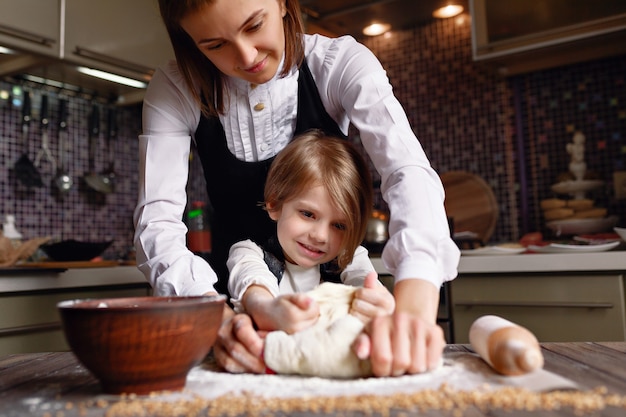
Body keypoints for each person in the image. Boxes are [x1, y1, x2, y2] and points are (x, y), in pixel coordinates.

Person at [134, 0, 460, 377]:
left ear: (284, 5)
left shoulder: (340, 63)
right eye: (214, 45)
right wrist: (215, 319)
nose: (247, 56)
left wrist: (413, 310)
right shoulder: (175, 88)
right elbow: (156, 222)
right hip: (228, 311)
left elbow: (407, 170)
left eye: (255, 25)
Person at [227, 131, 395, 334]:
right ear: (275, 204)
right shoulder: (247, 253)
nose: (321, 236)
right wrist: (269, 310)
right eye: (308, 214)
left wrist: (378, 303)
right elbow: (254, 290)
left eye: (339, 226)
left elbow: (366, 286)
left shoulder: (350, 260)